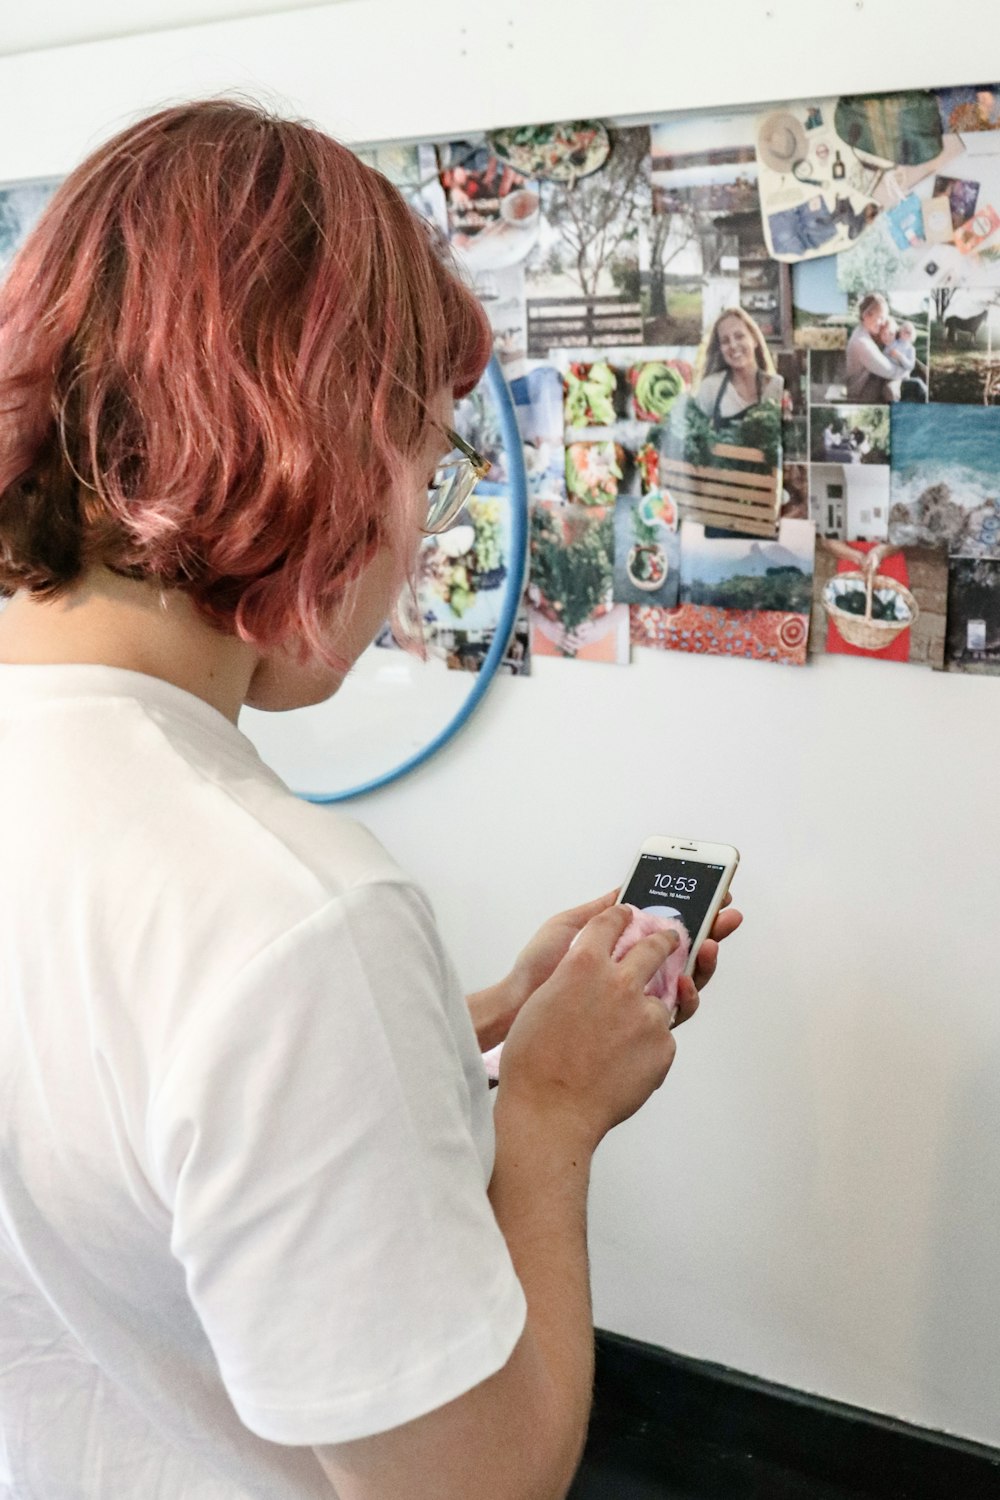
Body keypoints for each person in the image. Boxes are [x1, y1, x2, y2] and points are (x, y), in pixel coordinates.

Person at [0, 102, 740, 1500]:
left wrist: (452, 1028)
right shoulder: (289, 912)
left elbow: (116, 1129)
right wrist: (551, 1116)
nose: (422, 528)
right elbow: (474, 1481)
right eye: (425, 459)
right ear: (311, 444)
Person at [692, 307, 784, 424]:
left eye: (739, 336)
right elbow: (695, 436)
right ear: (720, 349)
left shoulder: (776, 386)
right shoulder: (710, 388)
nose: (733, 345)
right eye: (725, 341)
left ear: (754, 339)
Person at [845, 292, 900, 404]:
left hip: (866, 385)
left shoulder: (862, 332)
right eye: (881, 318)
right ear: (866, 315)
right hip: (859, 394)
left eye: (885, 319)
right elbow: (890, 371)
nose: (883, 323)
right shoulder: (862, 342)